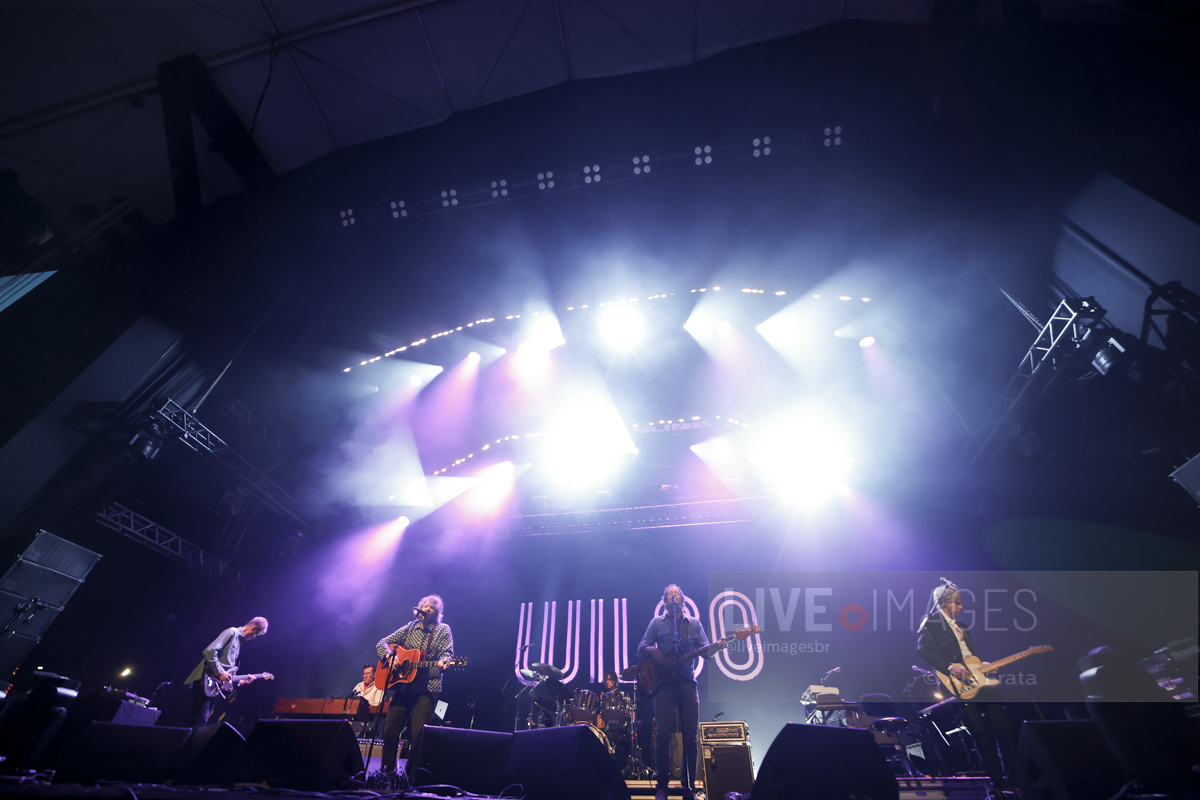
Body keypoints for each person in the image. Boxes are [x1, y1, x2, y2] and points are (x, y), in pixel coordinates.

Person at [917, 584, 1018, 793]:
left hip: (980, 680)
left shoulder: (963, 626)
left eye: (962, 602)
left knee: (1004, 729)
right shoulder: (931, 623)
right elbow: (923, 650)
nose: (962, 607)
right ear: (943, 602)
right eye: (957, 602)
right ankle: (999, 785)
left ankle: (1014, 781)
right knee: (982, 734)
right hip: (959, 685)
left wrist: (984, 666)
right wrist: (949, 668)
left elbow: (970, 655)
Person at [638, 584, 708, 800]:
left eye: (676, 593)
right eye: (670, 594)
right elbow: (641, 647)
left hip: (687, 683)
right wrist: (654, 650)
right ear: (665, 601)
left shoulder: (693, 624)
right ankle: (662, 787)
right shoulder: (656, 623)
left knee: (690, 737)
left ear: (682, 599)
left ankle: (689, 787)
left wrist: (716, 647)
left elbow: (706, 650)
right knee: (663, 735)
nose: (673, 596)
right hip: (663, 686)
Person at [376, 595, 454, 776]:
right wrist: (390, 657)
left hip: (426, 688)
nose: (427, 609)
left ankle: (411, 779)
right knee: (389, 732)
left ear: (437, 613)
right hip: (403, 687)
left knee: (418, 736)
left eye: (431, 607)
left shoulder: (442, 629)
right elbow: (382, 643)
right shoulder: (410, 627)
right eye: (424, 606)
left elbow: (447, 653)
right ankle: (387, 775)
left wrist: (444, 662)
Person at [184, 616, 268, 727]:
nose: (253, 638)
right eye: (256, 634)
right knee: (199, 722)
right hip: (205, 681)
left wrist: (241, 682)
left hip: (213, 688)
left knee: (200, 722)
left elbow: (227, 673)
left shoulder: (239, 643)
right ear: (254, 628)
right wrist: (220, 673)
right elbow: (209, 651)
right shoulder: (232, 632)